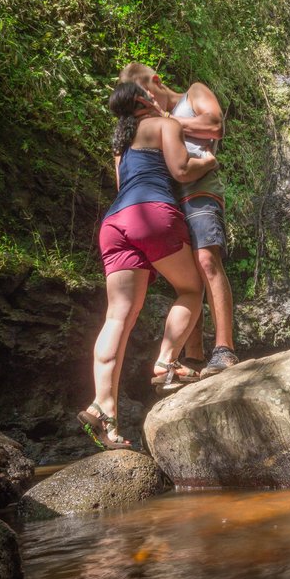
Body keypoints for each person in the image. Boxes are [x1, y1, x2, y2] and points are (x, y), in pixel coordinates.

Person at [77, 82, 218, 450]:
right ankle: (167, 363)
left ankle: (102, 408)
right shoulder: (164, 124)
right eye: (151, 96)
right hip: (152, 214)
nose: (158, 100)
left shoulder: (120, 145)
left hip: (116, 222)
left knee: (117, 318)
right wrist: (209, 160)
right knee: (190, 289)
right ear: (143, 101)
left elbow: (124, 183)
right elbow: (182, 169)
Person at [118, 63, 238, 378]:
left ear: (155, 82)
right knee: (186, 282)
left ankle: (224, 348)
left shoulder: (193, 93)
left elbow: (214, 125)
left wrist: (167, 118)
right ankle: (194, 356)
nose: (141, 108)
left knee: (207, 261)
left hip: (199, 191)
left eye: (143, 98)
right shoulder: (150, 123)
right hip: (165, 201)